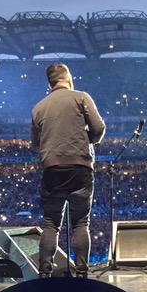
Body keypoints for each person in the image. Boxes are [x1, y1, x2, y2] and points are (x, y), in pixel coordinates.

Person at [30, 63, 106, 277]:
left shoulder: (38, 107)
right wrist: (88, 141)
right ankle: (82, 271)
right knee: (81, 221)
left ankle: (44, 272)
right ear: (69, 77)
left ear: (49, 83)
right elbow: (99, 128)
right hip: (80, 166)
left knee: (50, 222)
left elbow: (36, 142)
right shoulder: (81, 97)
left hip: (52, 169)